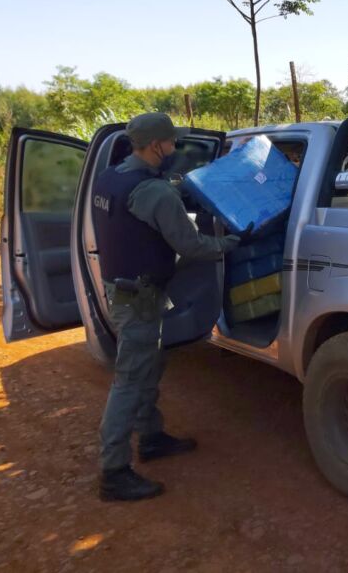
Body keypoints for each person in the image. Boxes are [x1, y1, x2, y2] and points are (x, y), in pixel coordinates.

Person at [91, 112, 243, 502]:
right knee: (130, 380)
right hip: (140, 297)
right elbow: (191, 246)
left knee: (149, 365)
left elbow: (142, 206)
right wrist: (232, 243)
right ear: (157, 145)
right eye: (171, 142)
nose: (174, 148)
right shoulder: (154, 194)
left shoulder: (110, 178)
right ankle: (114, 471)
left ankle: (152, 437)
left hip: (125, 290)